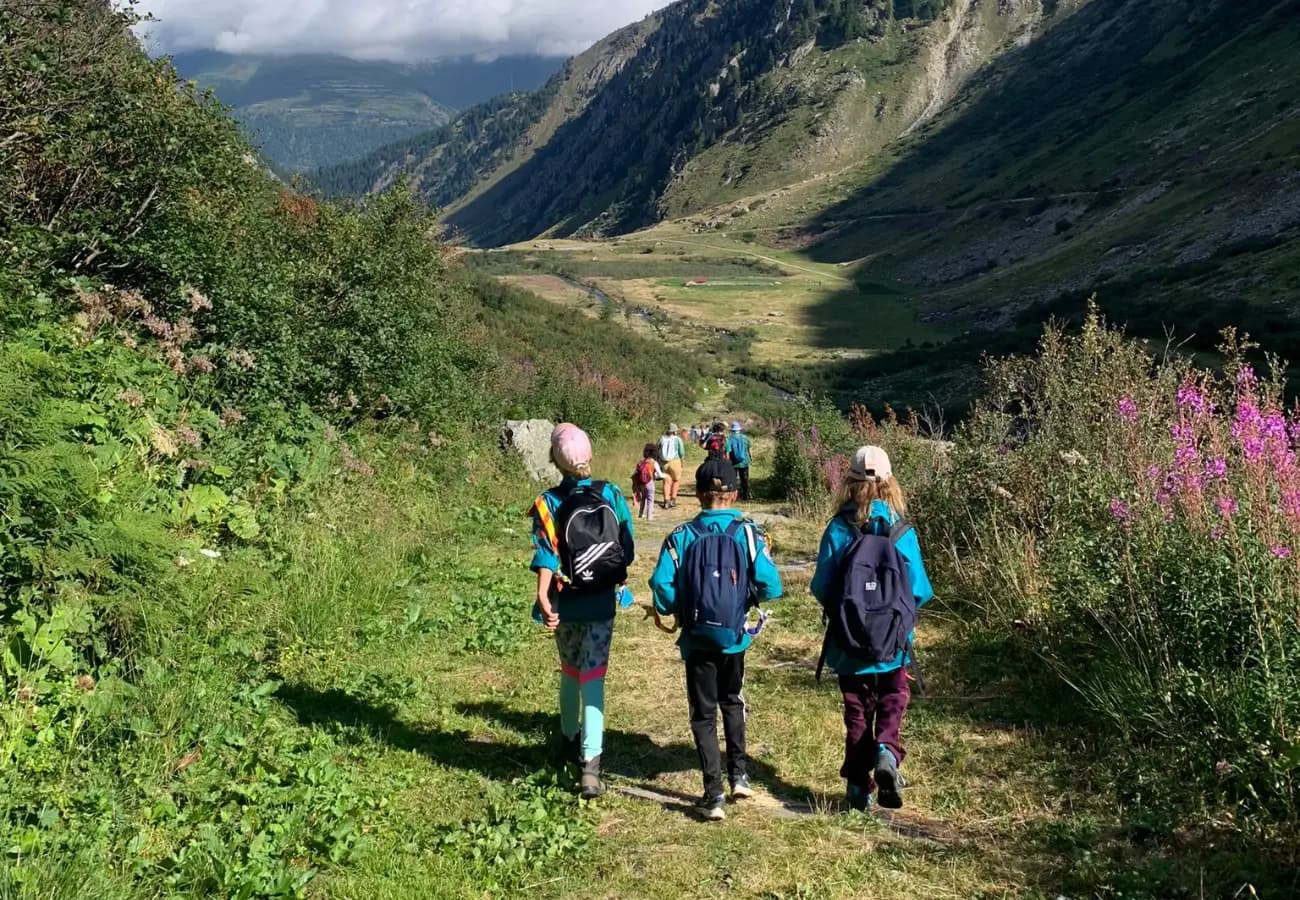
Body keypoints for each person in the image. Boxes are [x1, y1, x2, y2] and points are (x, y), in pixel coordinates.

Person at [649, 459, 783, 821]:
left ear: (699, 496)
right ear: (734, 494)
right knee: (733, 701)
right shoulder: (747, 532)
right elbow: (773, 585)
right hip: (734, 639)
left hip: (696, 639)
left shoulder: (681, 536)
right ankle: (739, 775)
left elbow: (661, 587)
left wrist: (680, 607)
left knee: (703, 713)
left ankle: (713, 795)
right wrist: (746, 598)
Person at [810, 446, 933, 812]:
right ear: (890, 481)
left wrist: (848, 613)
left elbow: (822, 586)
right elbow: (920, 590)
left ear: (849, 480)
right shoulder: (901, 529)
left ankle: (857, 790)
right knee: (893, 701)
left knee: (857, 710)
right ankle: (886, 751)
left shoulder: (839, 527)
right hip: (894, 643)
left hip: (848, 643)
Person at [530, 424, 636, 799]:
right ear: (589, 456)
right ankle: (591, 766)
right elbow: (628, 548)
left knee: (570, 670)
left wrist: (544, 595)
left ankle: (566, 739)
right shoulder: (611, 493)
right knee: (595, 676)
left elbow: (545, 553)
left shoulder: (547, 502)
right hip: (602, 601)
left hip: (564, 602)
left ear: (555, 462)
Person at [633, 443, 664, 520]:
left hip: (642, 483)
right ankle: (649, 516)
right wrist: (666, 476)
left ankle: (640, 514)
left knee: (643, 498)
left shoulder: (641, 462)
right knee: (650, 499)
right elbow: (660, 474)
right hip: (650, 483)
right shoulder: (653, 462)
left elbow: (636, 472)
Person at [659, 424, 686, 509]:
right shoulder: (677, 439)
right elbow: (681, 452)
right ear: (674, 431)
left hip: (664, 462)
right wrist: (682, 462)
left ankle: (666, 501)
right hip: (675, 461)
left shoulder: (661, 438)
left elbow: (656, 449)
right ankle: (673, 499)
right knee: (676, 480)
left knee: (666, 481)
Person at [725, 421, 752, 501]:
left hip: (733, 463)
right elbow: (749, 449)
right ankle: (745, 495)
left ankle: (734, 496)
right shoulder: (745, 438)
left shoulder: (729, 439)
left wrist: (727, 461)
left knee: (733, 479)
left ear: (732, 430)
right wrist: (750, 458)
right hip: (744, 462)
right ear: (739, 429)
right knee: (745, 479)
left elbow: (728, 451)